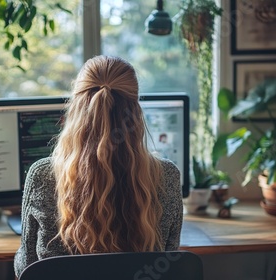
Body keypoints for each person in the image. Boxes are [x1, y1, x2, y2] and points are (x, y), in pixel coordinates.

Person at [14, 55, 183, 277]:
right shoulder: (167, 176)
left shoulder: (42, 176)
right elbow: (169, 261)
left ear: (75, 109)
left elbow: (26, 269)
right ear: (136, 112)